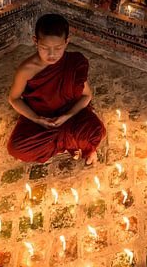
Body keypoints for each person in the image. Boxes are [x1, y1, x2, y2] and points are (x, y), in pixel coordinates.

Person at [7, 14, 106, 165]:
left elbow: (87, 95)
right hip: (41, 118)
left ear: (67, 42)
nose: (52, 54)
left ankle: (66, 141)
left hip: (70, 114)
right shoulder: (26, 69)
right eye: (45, 48)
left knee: (96, 131)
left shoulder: (73, 63)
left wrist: (67, 116)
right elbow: (13, 98)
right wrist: (37, 119)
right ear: (35, 41)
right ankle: (74, 142)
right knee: (16, 148)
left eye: (58, 48)